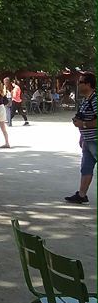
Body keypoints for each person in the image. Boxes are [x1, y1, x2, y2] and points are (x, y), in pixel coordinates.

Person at [64, 72, 97, 205]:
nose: (78, 84)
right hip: (88, 140)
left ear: (88, 84)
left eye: (81, 82)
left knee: (86, 167)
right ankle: (82, 195)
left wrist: (83, 124)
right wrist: (82, 135)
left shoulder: (95, 99)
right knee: (86, 168)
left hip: (95, 139)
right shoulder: (86, 100)